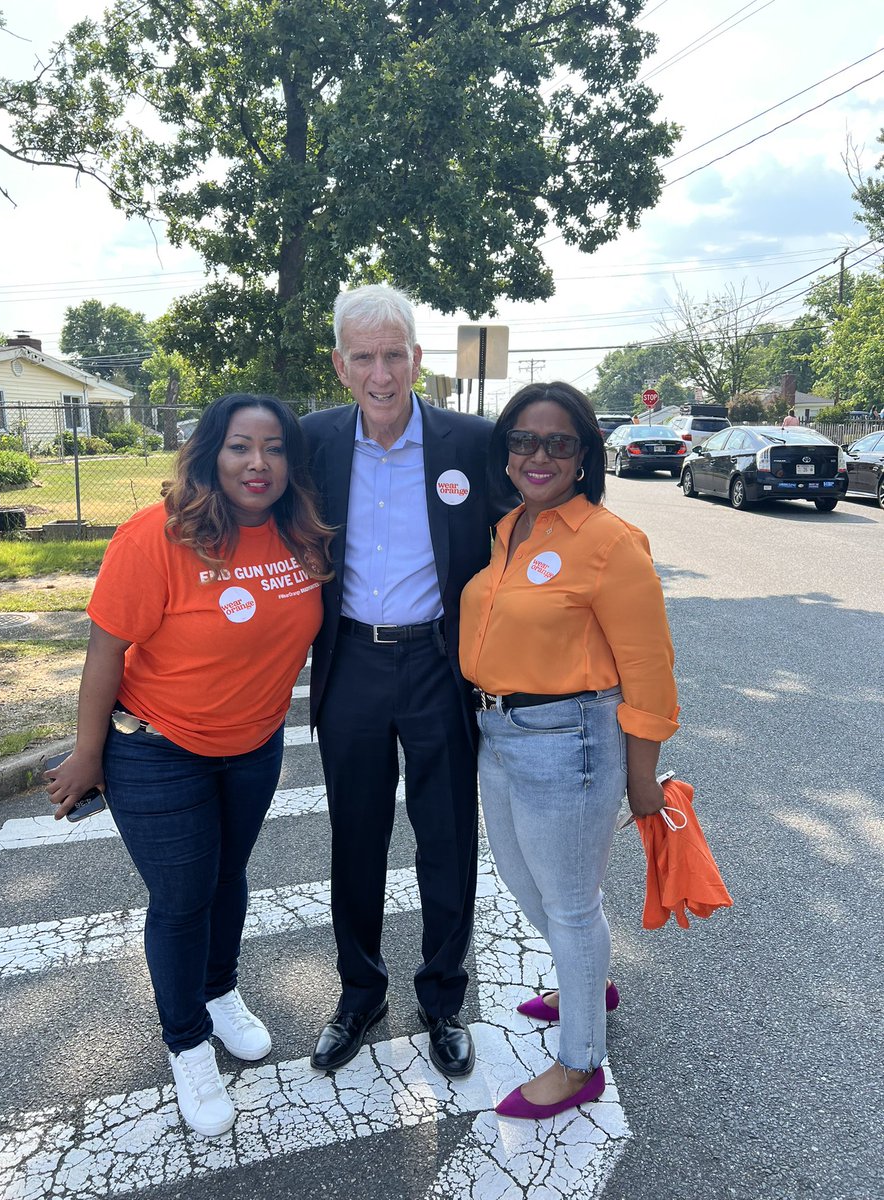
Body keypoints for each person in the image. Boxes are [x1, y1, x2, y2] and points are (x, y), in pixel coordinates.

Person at [45, 394, 332, 1138]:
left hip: (253, 747)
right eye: (240, 446)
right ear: (210, 452)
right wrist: (87, 754)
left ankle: (219, 992)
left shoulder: (303, 535)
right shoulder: (159, 536)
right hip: (156, 747)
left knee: (226, 877)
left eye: (274, 449)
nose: (258, 464)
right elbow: (106, 648)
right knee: (182, 898)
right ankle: (187, 1044)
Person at [459, 381, 679, 1120]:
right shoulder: (508, 529)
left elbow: (649, 669)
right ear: (507, 452)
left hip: (573, 741)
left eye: (559, 442)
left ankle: (580, 1061)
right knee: (524, 884)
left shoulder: (609, 543)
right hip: (498, 732)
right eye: (524, 439)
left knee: (571, 906)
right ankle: (587, 984)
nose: (539, 454)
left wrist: (641, 778)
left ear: (584, 456)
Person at [301, 285, 495, 1080]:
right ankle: (360, 991)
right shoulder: (311, 440)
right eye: (363, 357)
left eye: (394, 355)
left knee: (447, 836)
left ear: (418, 358)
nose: (380, 374)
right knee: (356, 836)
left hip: (438, 665)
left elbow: (538, 519)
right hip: (348, 661)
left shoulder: (472, 441)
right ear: (341, 365)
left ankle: (443, 997)